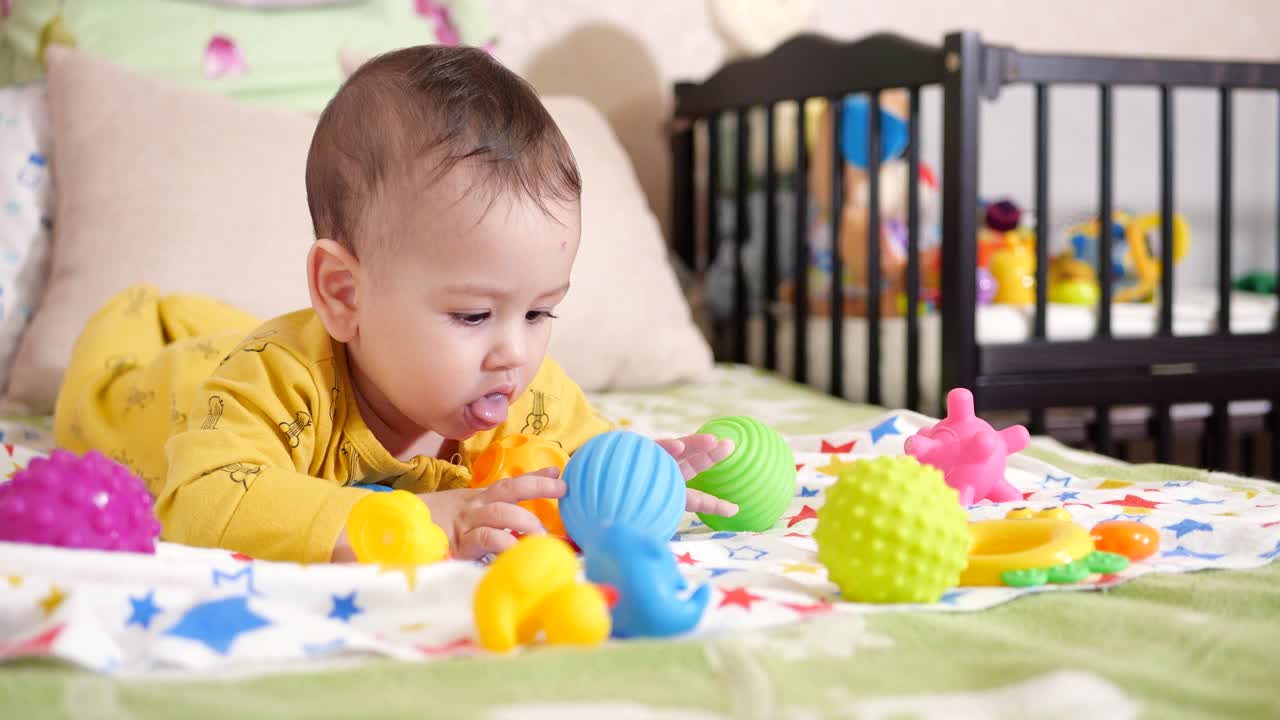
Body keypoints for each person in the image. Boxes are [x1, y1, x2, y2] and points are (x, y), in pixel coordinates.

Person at [52, 45, 736, 564]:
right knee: (129, 388)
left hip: (272, 348)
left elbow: (582, 454)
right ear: (344, 294)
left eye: (538, 313)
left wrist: (641, 481)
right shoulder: (280, 384)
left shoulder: (519, 387)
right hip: (154, 394)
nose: (514, 353)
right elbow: (202, 503)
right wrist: (433, 520)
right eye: (473, 315)